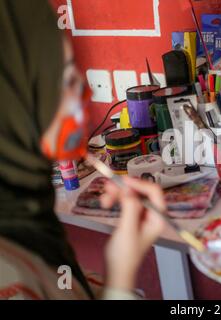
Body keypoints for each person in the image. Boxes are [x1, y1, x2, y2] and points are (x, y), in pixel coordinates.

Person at [0, 0, 165, 299]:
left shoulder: (25, 220)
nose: (86, 95)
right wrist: (121, 279)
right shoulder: (10, 277)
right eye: (66, 80)